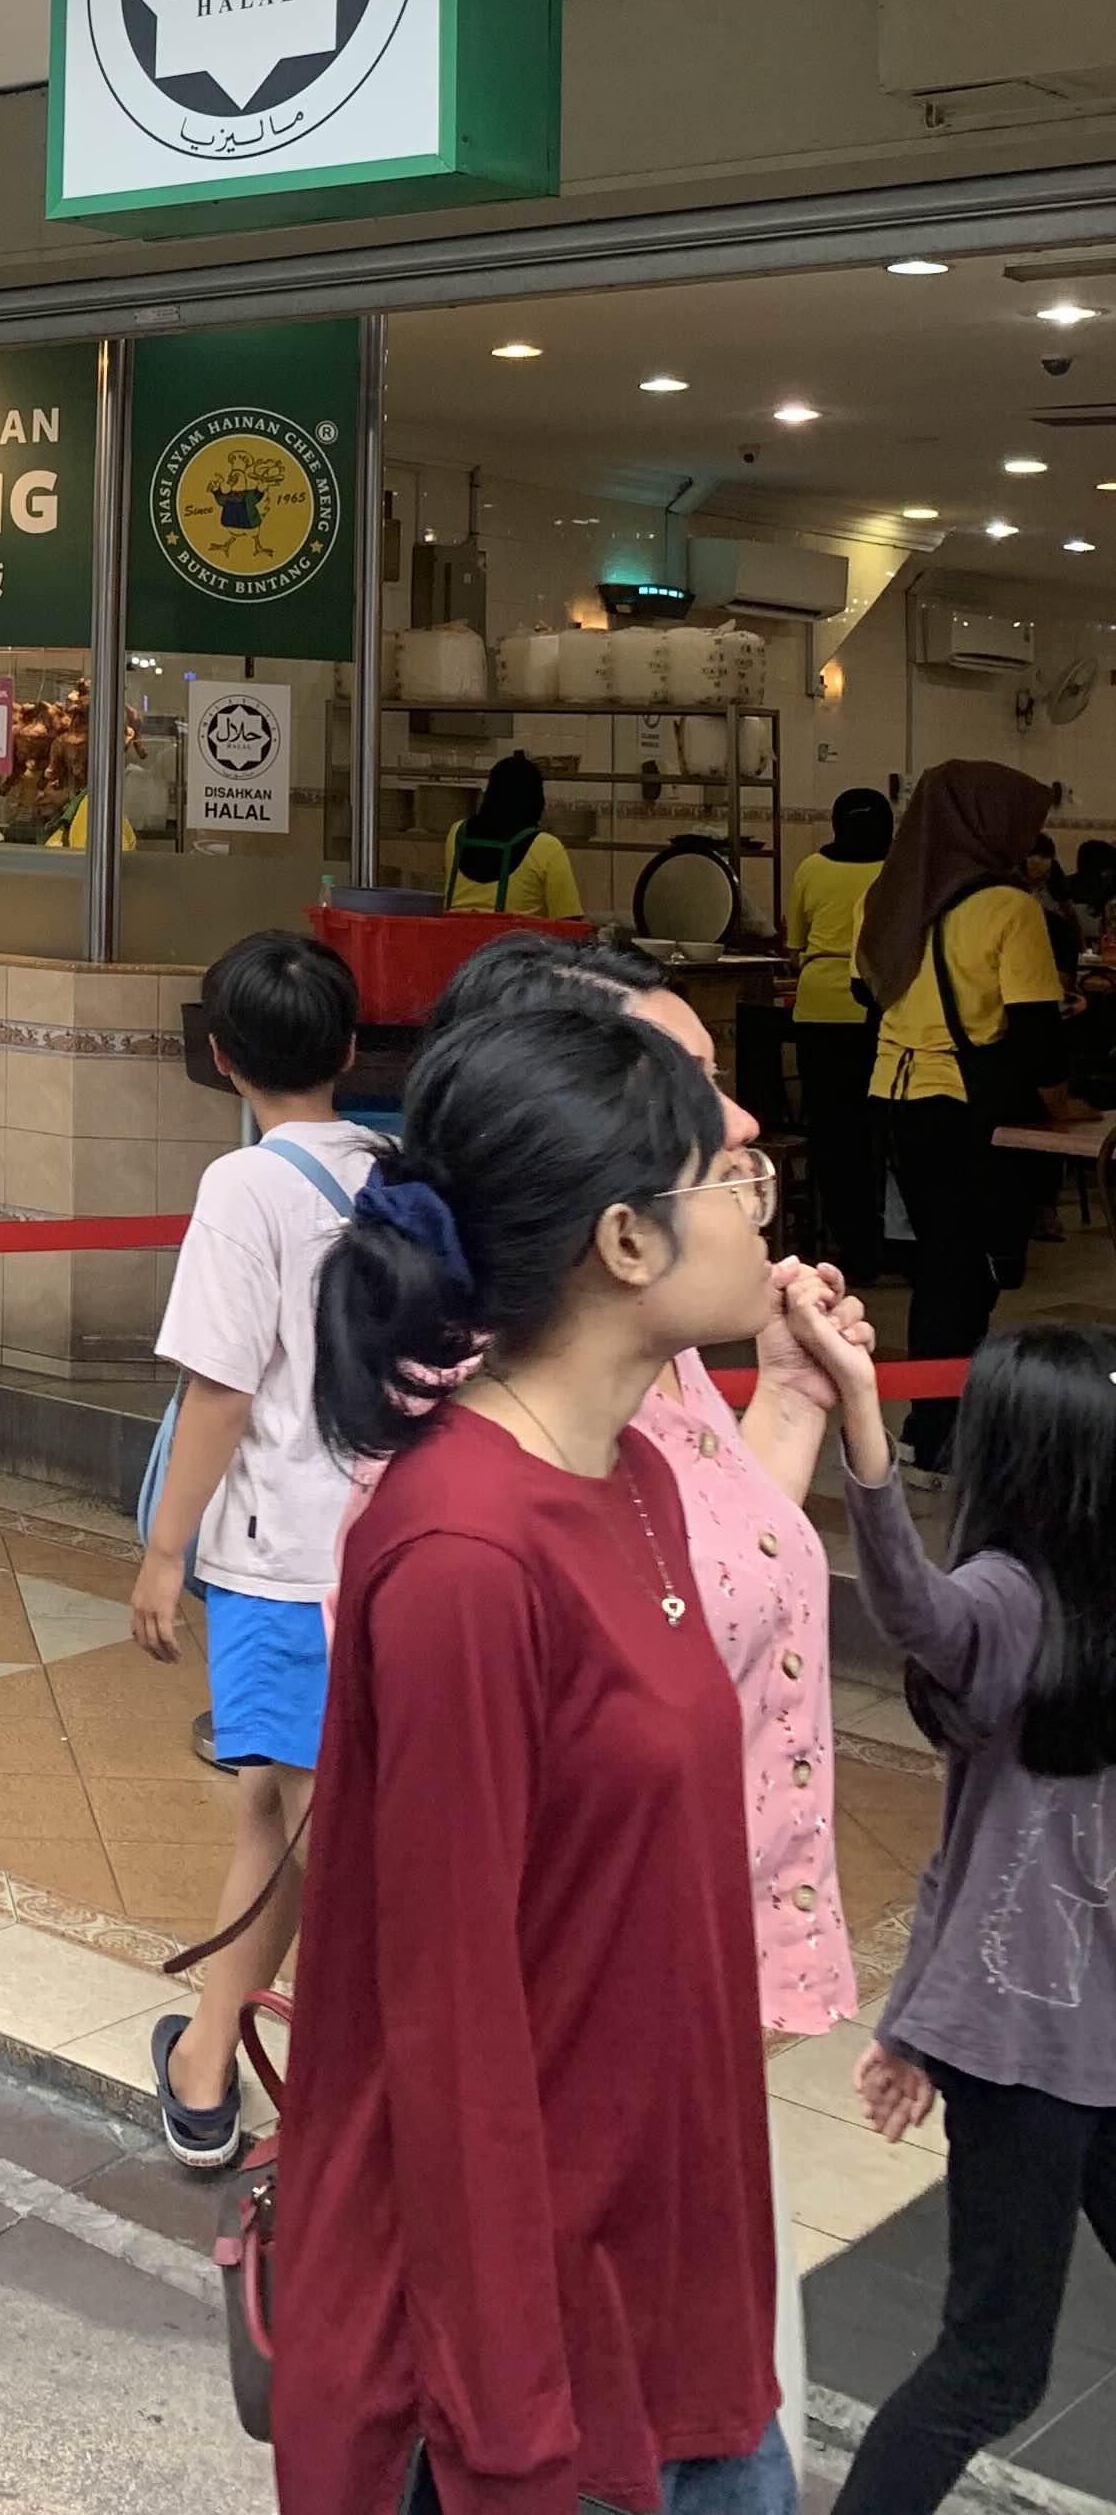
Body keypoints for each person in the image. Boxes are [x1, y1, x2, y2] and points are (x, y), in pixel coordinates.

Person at [277, 997, 789, 2515]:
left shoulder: (633, 1473)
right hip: (534, 2367)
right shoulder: (465, 1555)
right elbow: (446, 2024)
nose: (759, 1197)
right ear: (625, 1241)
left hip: (666, 2276)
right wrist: (507, 2432)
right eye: (724, 1177)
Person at [427, 926, 866, 2472]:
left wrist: (794, 1401)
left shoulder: (638, 1398)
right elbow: (450, 1984)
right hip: (592, 2143)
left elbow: (718, 1592)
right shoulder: (475, 1505)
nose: (741, 1126)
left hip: (685, 2061)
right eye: (681, 1092)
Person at [799, 1317, 1116, 2515]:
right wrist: (864, 1432)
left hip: (1102, 2042)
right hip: (1021, 2057)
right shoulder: (1005, 1603)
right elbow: (915, 1613)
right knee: (991, 2369)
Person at [130, 927, 370, 2172]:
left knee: (298, 1822)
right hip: (389, 1549)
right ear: (350, 1048)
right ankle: (211, 2056)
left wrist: (165, 1550)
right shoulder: (399, 1172)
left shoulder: (246, 1189)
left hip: (283, 1557)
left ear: (221, 1057)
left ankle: (272, 2075)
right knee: (290, 1810)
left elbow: (220, 1391)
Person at [860, 762, 1082, 1472]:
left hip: (896, 1097)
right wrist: (1061, 1105)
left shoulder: (891, 895)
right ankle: (939, 1435)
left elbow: (870, 991)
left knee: (940, 1262)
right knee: (969, 1272)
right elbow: (1037, 1032)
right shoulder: (1009, 909)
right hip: (967, 1107)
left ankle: (933, 1427)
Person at [789, 787, 893, 1282]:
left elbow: (796, 943)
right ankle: (892, 1239)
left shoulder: (810, 868)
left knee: (833, 1133)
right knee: (881, 1131)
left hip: (817, 1007)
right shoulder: (896, 871)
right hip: (879, 1009)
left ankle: (849, 1246)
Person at [443, 748, 583, 918]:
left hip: (455, 934)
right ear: (536, 799)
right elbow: (570, 921)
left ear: (490, 793)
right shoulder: (546, 847)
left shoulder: (457, 833)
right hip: (516, 936)